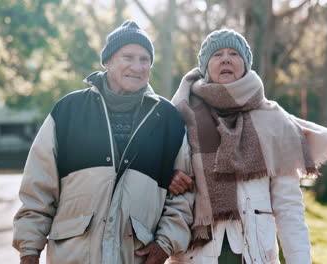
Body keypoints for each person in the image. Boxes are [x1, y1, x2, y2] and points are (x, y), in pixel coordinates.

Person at [13, 20, 194, 264]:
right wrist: (29, 250)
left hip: (135, 256)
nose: (137, 66)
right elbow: (38, 184)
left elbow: (183, 195)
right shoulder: (69, 110)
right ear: (107, 61)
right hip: (73, 255)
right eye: (127, 57)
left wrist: (165, 243)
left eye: (144, 59)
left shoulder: (169, 119)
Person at [166, 29, 327, 264]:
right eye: (217, 54)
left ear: (246, 65)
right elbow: (158, 174)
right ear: (205, 66)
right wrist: (167, 175)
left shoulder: (274, 120)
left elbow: (288, 207)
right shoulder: (179, 115)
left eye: (234, 54)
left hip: (254, 255)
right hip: (193, 255)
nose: (226, 59)